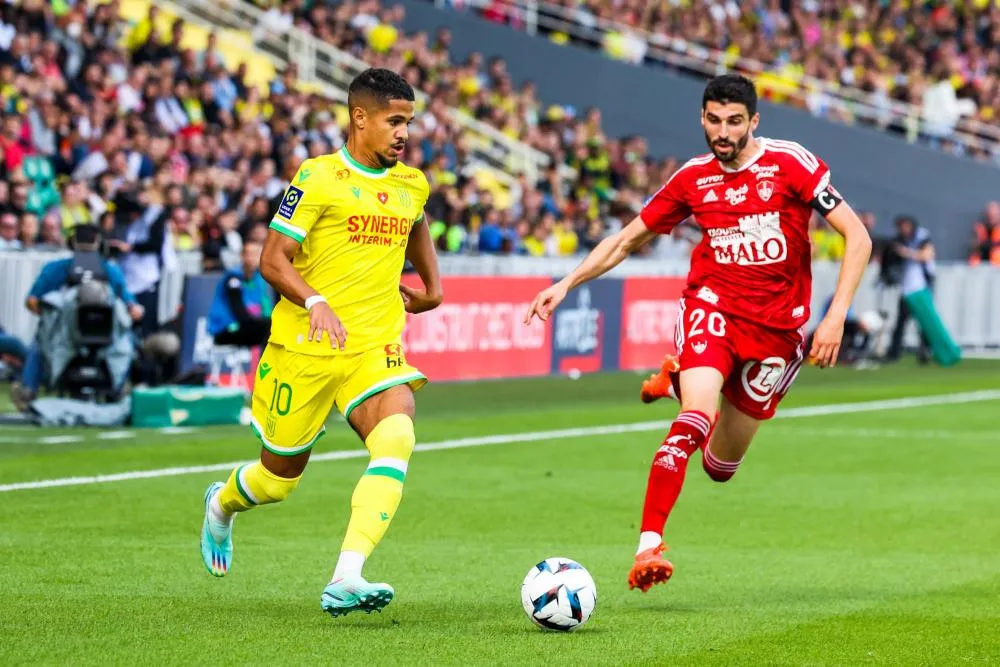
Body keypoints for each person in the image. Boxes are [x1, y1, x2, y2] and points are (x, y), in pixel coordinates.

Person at [524, 74, 872, 593]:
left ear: (754, 121)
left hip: (778, 332)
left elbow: (857, 234)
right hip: (712, 310)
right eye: (714, 120)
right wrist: (567, 282)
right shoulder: (693, 178)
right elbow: (625, 240)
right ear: (702, 119)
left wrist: (836, 314)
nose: (723, 131)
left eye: (735, 121)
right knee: (693, 420)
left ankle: (676, 376)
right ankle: (649, 544)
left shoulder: (791, 162)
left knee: (720, 467)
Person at [199, 69, 443, 617]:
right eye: (394, 121)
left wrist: (434, 287)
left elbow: (416, 224)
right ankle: (221, 502)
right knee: (276, 480)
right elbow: (272, 259)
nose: (404, 133)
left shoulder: (411, 182)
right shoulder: (317, 178)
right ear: (361, 118)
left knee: (397, 436)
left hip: (373, 346)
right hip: (303, 350)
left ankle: (346, 576)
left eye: (409, 122)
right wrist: (315, 301)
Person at [14, 224, 143, 408]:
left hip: (64, 338)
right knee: (128, 341)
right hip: (105, 337)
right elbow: (132, 307)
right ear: (99, 243)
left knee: (40, 341)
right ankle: (119, 387)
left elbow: (32, 301)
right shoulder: (110, 270)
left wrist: (49, 314)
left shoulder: (57, 268)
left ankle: (29, 390)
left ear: (72, 242)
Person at [885, 215, 936, 363]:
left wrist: (906, 252)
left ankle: (925, 352)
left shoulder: (922, 238)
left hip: (921, 288)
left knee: (924, 322)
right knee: (901, 321)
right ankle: (894, 353)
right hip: (907, 288)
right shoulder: (899, 240)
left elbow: (927, 256)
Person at [207, 240, 273, 348]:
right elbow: (240, 312)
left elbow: (265, 306)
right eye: (249, 254)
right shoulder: (233, 279)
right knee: (264, 328)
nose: (252, 258)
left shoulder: (259, 279)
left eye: (256, 254)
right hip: (227, 327)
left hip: (249, 324)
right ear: (242, 256)